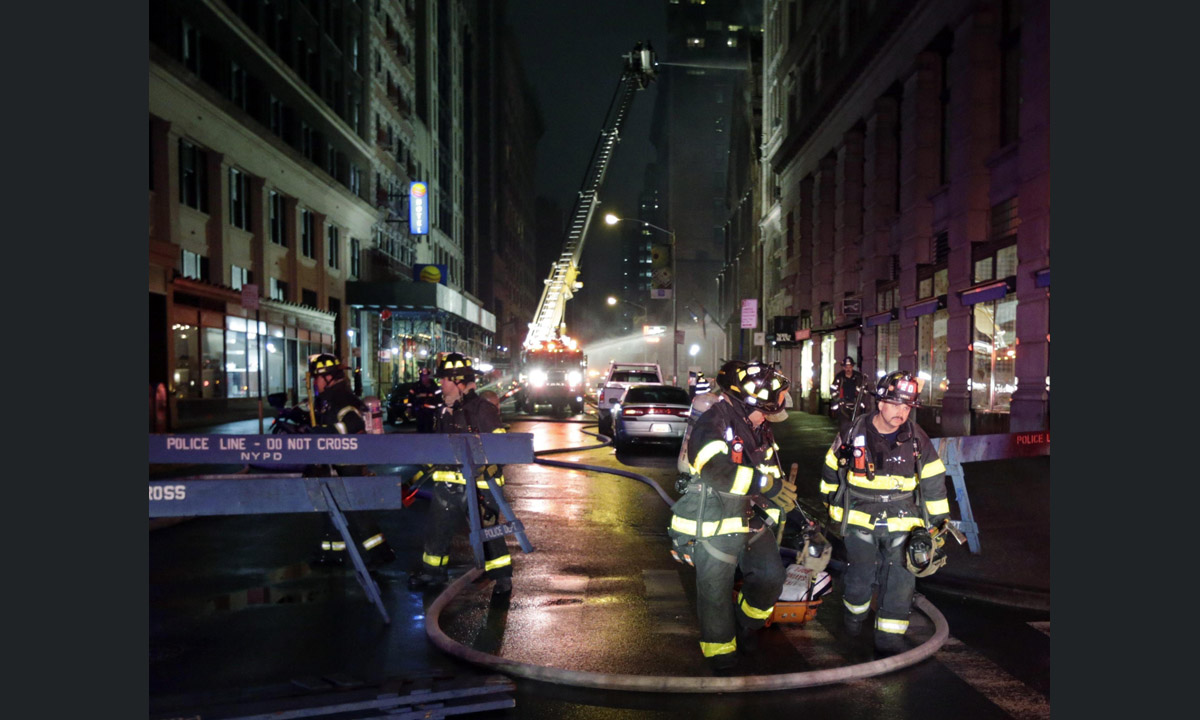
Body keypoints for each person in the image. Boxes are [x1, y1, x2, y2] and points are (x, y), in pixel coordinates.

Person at [667, 360, 797, 673]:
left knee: (770, 577)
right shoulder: (713, 422)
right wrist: (767, 484)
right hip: (713, 516)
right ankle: (721, 655)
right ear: (749, 402)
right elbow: (715, 471)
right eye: (766, 409)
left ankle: (746, 625)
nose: (769, 415)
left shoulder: (758, 427)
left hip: (749, 515)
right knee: (715, 591)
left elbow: (765, 471)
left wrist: (779, 499)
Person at [819, 370, 949, 655]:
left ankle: (888, 638)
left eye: (906, 407)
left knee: (901, 578)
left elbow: (933, 479)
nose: (902, 412)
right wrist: (831, 508)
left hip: (903, 518)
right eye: (896, 404)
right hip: (858, 518)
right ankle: (854, 620)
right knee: (861, 575)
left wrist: (938, 525)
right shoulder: (852, 433)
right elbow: (831, 471)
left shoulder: (916, 438)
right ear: (880, 403)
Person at [408, 352, 515, 598]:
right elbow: (438, 447)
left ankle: (502, 578)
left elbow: (501, 447)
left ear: (457, 382)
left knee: (489, 533)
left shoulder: (483, 410)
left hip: (479, 486)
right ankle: (432, 573)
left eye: (443, 380)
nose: (439, 384)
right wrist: (420, 473)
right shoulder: (443, 411)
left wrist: (484, 469)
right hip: (447, 483)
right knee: (438, 528)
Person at [305, 353, 395, 567]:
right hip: (334, 463)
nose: (315, 383)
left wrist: (325, 431)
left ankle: (380, 553)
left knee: (356, 511)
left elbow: (352, 424)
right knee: (331, 510)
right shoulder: (329, 398)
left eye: (317, 378)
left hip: (347, 465)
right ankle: (333, 553)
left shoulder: (341, 398)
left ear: (328, 377)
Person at [829, 356, 870, 438]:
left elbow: (865, 390)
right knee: (844, 426)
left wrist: (862, 402)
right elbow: (833, 389)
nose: (848, 369)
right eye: (846, 367)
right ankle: (844, 441)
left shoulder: (859, 377)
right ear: (843, 367)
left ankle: (854, 441)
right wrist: (838, 400)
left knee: (857, 426)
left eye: (850, 367)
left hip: (856, 405)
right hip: (843, 405)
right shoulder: (839, 376)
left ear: (852, 367)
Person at [410, 367, 443, 433]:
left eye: (426, 376)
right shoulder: (416, 386)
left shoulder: (434, 386)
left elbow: (438, 398)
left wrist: (438, 409)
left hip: (430, 413)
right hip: (419, 412)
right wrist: (410, 408)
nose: (424, 378)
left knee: (429, 429)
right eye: (423, 376)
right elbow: (411, 397)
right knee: (420, 429)